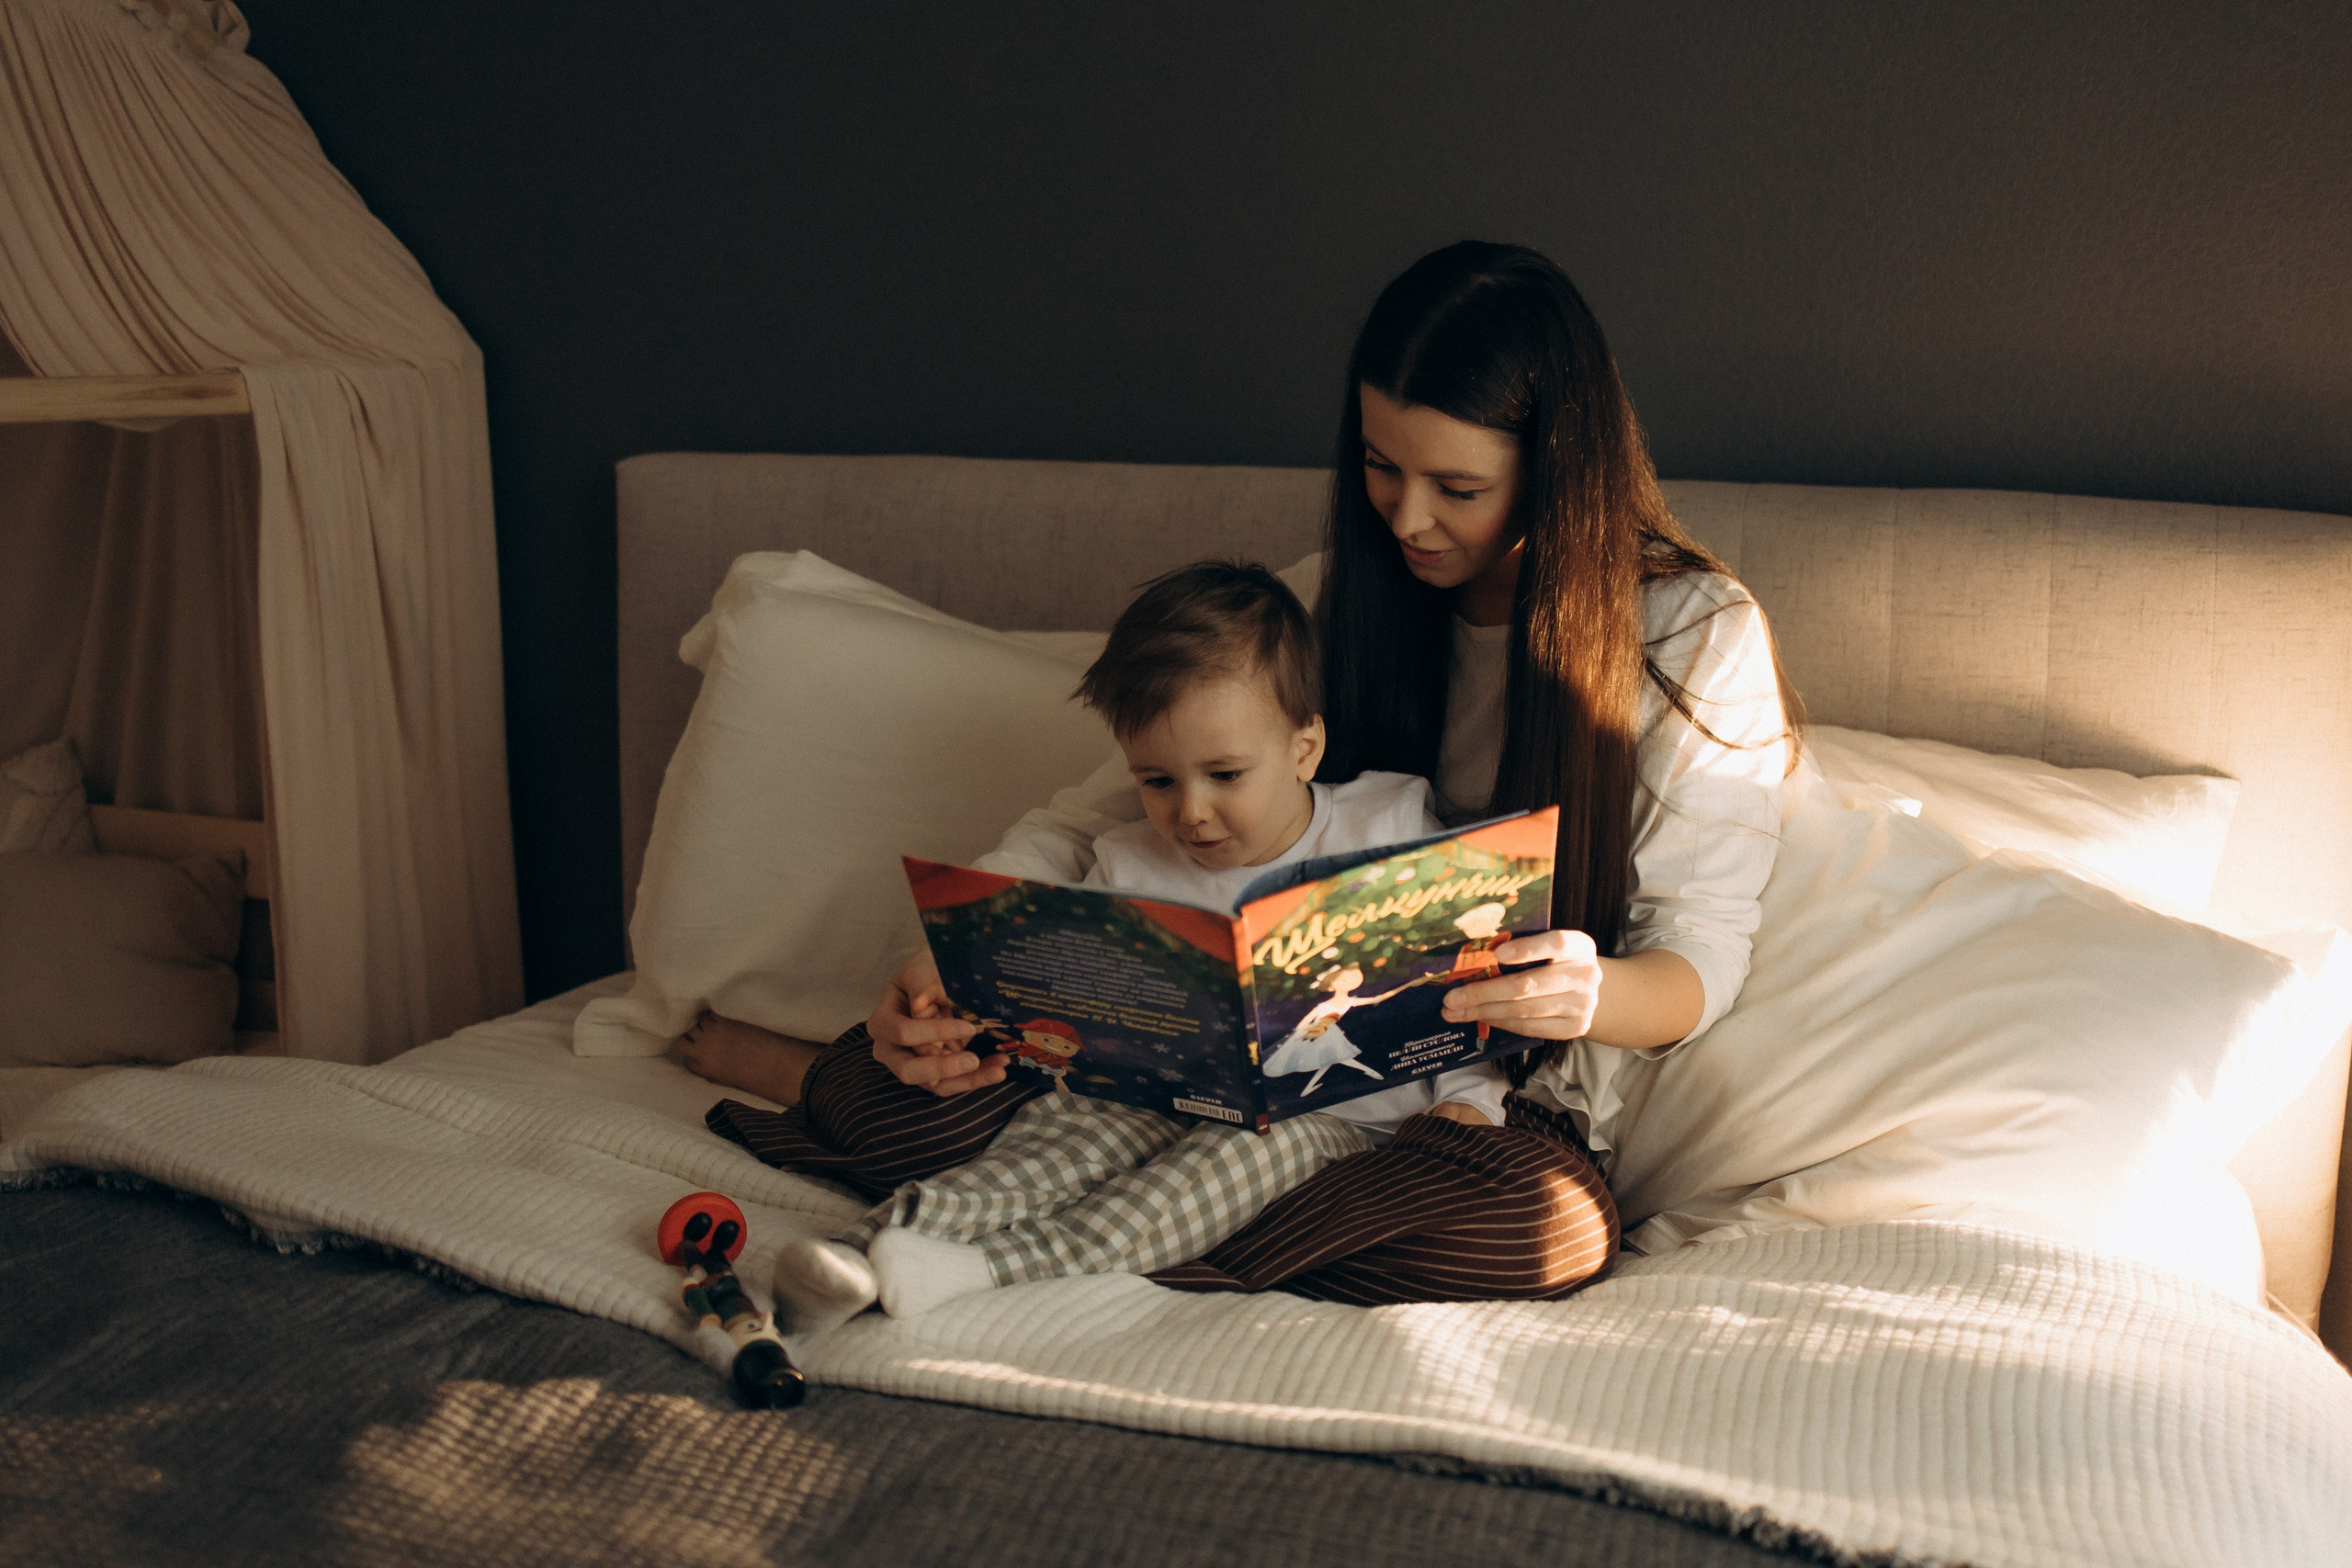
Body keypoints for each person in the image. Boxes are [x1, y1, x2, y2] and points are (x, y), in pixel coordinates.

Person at [695, 239, 1800, 1306]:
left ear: (1556, 468)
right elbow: (1093, 814)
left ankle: (1068, 1226)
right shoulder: (1329, 599)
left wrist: (1587, 992)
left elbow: (1698, 955)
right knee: (886, 1093)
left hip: (1462, 1109)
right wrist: (948, 963)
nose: (1407, 519)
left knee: (1537, 1231)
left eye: (1456, 487)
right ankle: (1143, 1218)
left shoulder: (1689, 635)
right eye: (1379, 466)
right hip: (1186, 1082)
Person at [758, 560, 1525, 1332]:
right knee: (1054, 1143)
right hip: (1156, 1096)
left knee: (1234, 1166)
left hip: (1331, 1121)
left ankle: (989, 1269)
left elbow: (1459, 992)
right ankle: (857, 1252)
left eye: (1224, 774)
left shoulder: (1390, 824)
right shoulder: (1127, 860)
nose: (1191, 812)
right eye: (1157, 781)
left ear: (1304, 748)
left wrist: (1470, 1100)